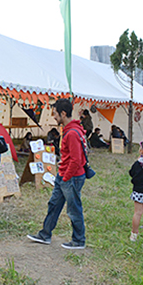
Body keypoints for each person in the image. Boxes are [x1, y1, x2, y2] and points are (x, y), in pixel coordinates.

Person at [27, 98, 88, 249]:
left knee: (74, 210)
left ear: (63, 113)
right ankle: (45, 234)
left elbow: (76, 160)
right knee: (54, 205)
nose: (53, 117)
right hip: (65, 175)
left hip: (71, 177)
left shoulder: (72, 133)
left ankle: (79, 240)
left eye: (55, 113)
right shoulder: (69, 130)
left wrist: (66, 177)